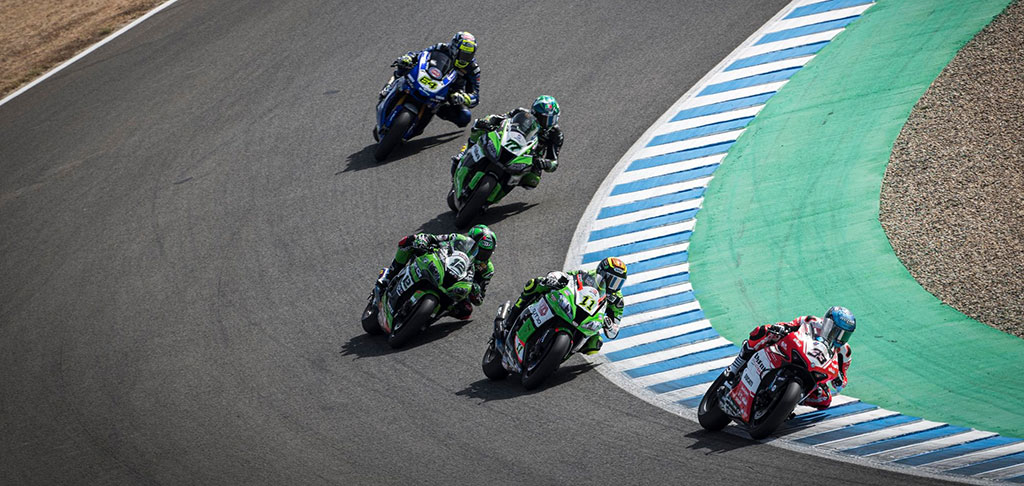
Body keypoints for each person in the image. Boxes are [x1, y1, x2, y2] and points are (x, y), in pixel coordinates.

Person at [723, 306, 856, 409]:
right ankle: (734, 367)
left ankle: (791, 402)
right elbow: (790, 325)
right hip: (794, 350)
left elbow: (842, 380)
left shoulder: (845, 352)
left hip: (815, 369)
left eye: (844, 334)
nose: (839, 337)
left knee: (825, 400)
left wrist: (839, 380)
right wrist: (781, 328)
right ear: (827, 322)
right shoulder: (811, 321)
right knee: (762, 331)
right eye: (836, 330)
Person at [502, 256, 627, 355]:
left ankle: (563, 353)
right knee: (535, 284)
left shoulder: (617, 301)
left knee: (595, 345)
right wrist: (554, 278)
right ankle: (510, 319)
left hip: (590, 319)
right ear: (601, 272)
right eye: (610, 279)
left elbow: (614, 330)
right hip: (572, 305)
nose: (612, 285)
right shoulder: (587, 274)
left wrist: (610, 325)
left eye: (617, 282)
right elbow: (567, 276)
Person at [374, 225, 496, 319]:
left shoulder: (487, 269)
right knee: (408, 242)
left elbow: (480, 300)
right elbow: (434, 238)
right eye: (479, 250)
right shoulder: (457, 239)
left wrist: (476, 290)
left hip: (458, 284)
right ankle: (389, 275)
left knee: (466, 311)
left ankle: (429, 316)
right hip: (441, 265)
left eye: (485, 253)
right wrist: (423, 240)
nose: (480, 255)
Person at [449, 95, 563, 189]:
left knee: (532, 181)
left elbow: (554, 161)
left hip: (530, 157)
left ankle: (501, 189)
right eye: (540, 117)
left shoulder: (556, 135)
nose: (544, 122)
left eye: (548, 119)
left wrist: (546, 163)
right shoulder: (521, 113)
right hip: (509, 141)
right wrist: (488, 121)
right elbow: (501, 117)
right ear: (533, 112)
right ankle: (464, 153)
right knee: (479, 128)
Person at [380, 31, 480, 128]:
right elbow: (420, 54)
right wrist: (408, 58)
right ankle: (390, 86)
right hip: (428, 77)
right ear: (455, 48)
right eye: (463, 54)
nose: (465, 59)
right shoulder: (441, 47)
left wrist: (464, 98)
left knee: (465, 117)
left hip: (450, 92)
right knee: (404, 65)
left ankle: (436, 109)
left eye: (469, 56)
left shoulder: (473, 69)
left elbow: (475, 97)